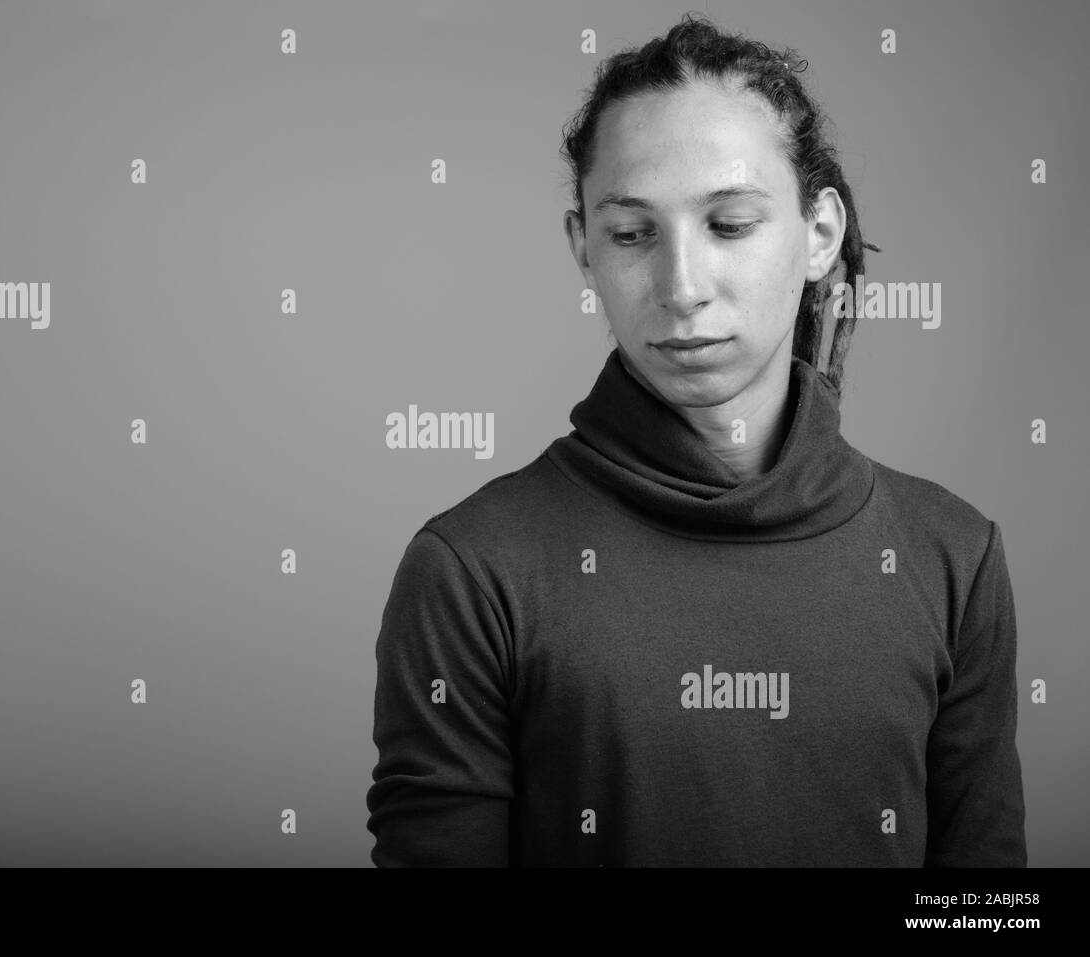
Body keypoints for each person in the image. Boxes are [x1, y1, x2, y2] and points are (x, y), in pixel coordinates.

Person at [365, 13, 1026, 867]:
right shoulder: (473, 569)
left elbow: (986, 908)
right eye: (633, 234)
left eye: (731, 223)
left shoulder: (953, 555)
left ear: (819, 234)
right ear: (584, 248)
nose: (681, 288)